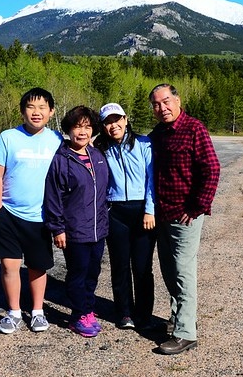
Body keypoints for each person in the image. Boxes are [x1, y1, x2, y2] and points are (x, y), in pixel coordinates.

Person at [148, 83, 220, 355]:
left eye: (166, 101)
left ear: (177, 100)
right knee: (168, 269)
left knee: (183, 271)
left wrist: (198, 205)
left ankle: (186, 333)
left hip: (185, 216)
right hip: (162, 214)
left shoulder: (194, 128)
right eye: (156, 104)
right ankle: (178, 317)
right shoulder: (158, 134)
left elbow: (212, 169)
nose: (162, 108)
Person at [0, 87, 64, 334]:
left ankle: (38, 311)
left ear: (51, 112)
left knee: (37, 266)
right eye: (31, 107)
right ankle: (13, 312)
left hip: (41, 217)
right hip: (9, 214)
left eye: (42, 107)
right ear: (22, 111)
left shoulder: (57, 140)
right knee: (10, 266)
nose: (36, 112)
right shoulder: (8, 137)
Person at [44, 105, 110, 338]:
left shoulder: (98, 156)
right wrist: (57, 229)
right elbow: (53, 197)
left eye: (87, 127)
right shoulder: (62, 159)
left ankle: (88, 309)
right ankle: (78, 314)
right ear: (68, 130)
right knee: (77, 273)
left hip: (98, 229)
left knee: (93, 272)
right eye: (76, 127)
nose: (82, 132)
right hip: (75, 230)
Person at [94, 102, 157, 331]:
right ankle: (124, 313)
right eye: (108, 122)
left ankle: (144, 314)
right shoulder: (100, 147)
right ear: (102, 126)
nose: (113, 125)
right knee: (119, 266)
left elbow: (152, 179)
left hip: (142, 212)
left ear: (125, 119)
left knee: (142, 268)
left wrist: (150, 209)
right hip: (116, 212)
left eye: (116, 120)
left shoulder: (143, 144)